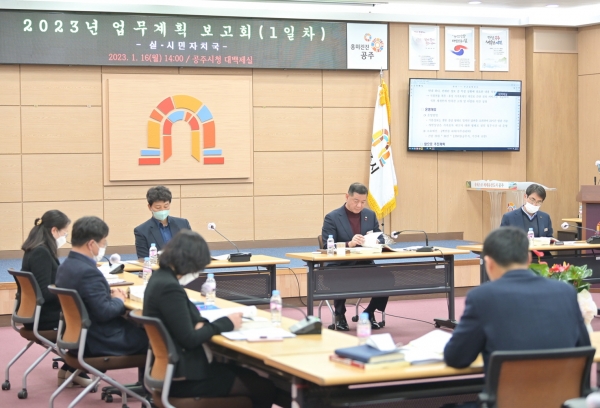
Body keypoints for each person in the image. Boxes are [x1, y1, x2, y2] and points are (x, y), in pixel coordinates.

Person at [143, 230, 277, 408]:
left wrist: (201, 325)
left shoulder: (159, 279)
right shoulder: (170, 288)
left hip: (171, 371)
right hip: (184, 378)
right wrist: (227, 323)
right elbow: (190, 338)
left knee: (250, 376)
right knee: (264, 387)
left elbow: (187, 320)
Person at [444, 226, 590, 371]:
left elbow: (457, 358)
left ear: (489, 262)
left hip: (509, 386)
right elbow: (584, 348)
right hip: (563, 385)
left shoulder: (482, 297)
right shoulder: (565, 292)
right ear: (529, 258)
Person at [56, 216, 148, 361]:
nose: (104, 247)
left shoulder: (65, 266)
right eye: (103, 243)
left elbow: (88, 300)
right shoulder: (88, 272)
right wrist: (118, 299)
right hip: (100, 340)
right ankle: (154, 376)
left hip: (79, 337)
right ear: (91, 244)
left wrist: (106, 295)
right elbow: (105, 312)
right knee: (160, 339)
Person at [20, 210, 92, 387]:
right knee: (91, 320)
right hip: (44, 317)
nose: (65, 237)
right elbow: (45, 293)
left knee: (85, 312)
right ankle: (74, 369)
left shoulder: (36, 249)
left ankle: (70, 369)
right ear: (54, 230)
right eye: (64, 233)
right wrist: (71, 293)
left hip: (37, 314)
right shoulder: (41, 253)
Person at [321, 182, 387, 331]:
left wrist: (377, 241)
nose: (359, 205)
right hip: (339, 266)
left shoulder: (370, 215)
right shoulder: (332, 217)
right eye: (356, 201)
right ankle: (339, 315)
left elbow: (380, 237)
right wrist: (348, 244)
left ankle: (369, 313)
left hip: (364, 264)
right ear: (347, 197)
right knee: (341, 277)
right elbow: (326, 246)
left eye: (363, 202)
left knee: (387, 277)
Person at [134, 185, 192, 260]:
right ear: (149, 207)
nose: (162, 210)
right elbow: (143, 259)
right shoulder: (141, 231)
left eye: (166, 206)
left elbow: (192, 249)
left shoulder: (183, 224)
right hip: (158, 266)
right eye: (158, 207)